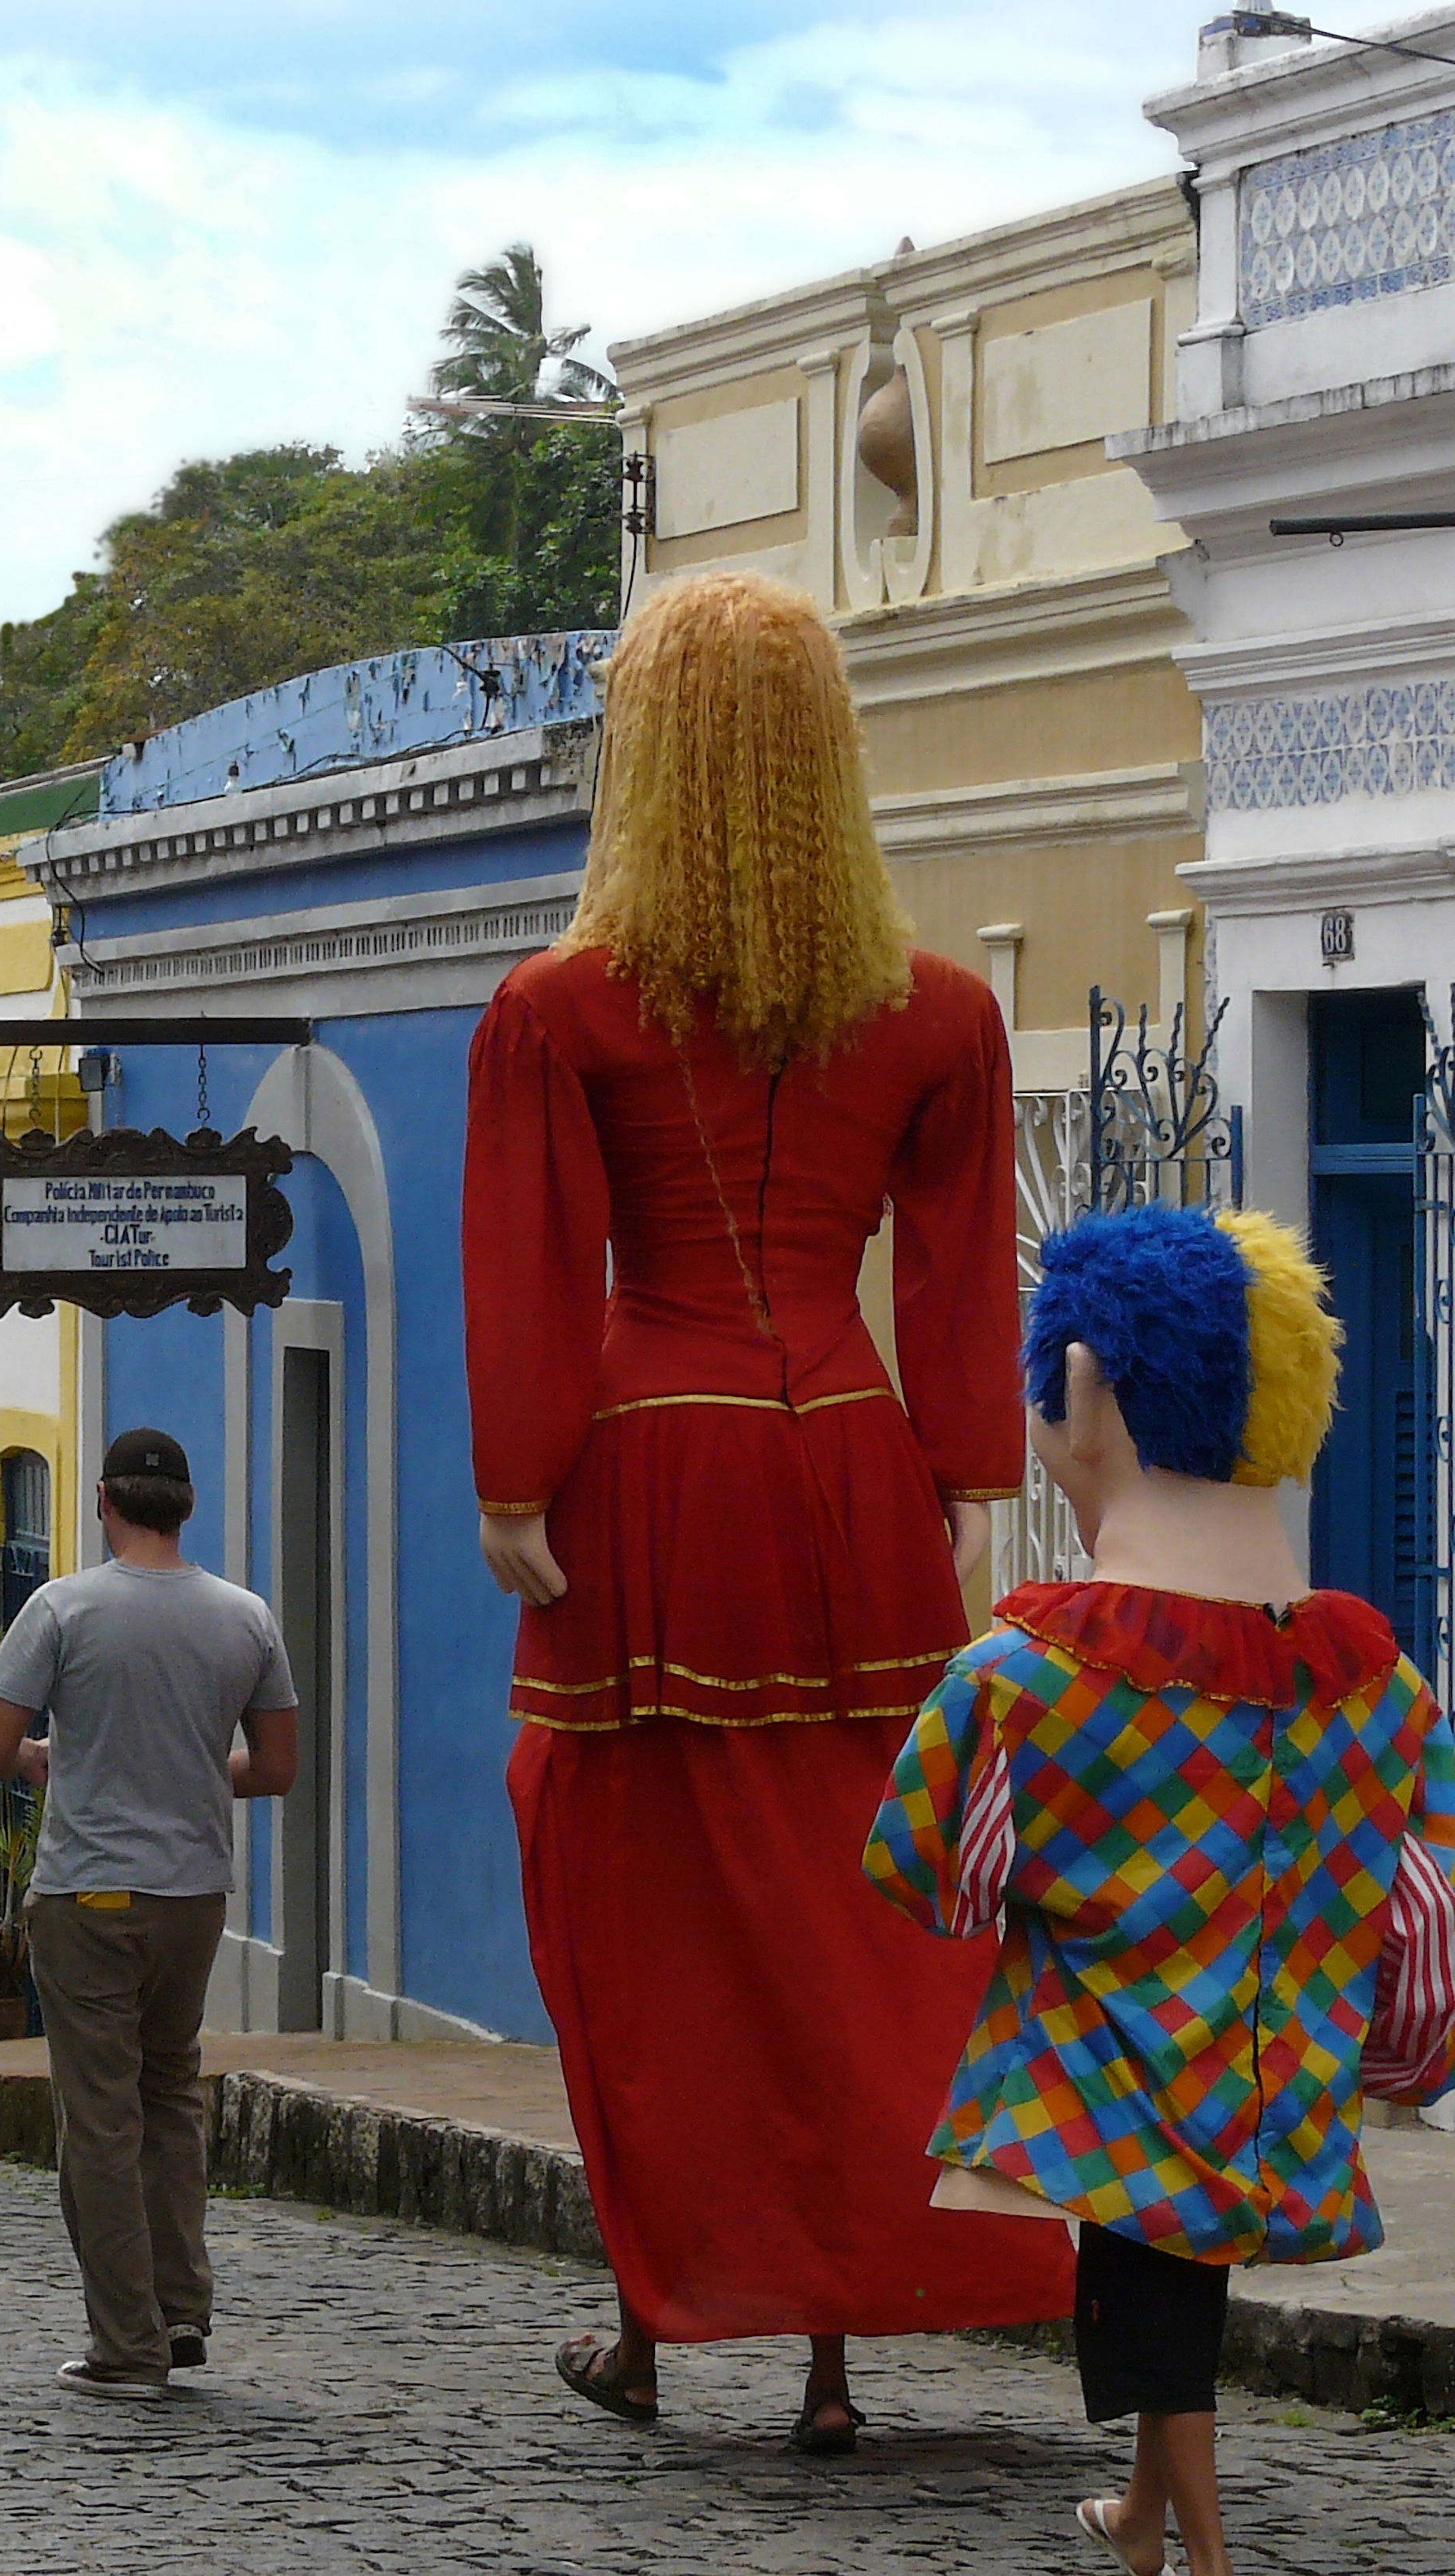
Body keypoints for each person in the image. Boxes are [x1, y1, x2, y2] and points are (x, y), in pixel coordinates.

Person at [462, 567, 1074, 2448]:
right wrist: (971, 1478)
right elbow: (968, 1279)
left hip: (651, 1471)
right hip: (851, 1476)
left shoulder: (563, 1010)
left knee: (630, 1907)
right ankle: (824, 2349)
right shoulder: (939, 1016)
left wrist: (512, 1484)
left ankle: (658, 2315)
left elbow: (531, 1272)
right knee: (857, 1904)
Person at [865, 1204, 1455, 2576]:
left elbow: (923, 1866)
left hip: (1110, 2062)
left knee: (1136, 2253)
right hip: (1268, 2068)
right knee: (1169, 2263)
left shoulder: (1023, 1682)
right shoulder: (1378, 1692)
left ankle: (1195, 2541)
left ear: (1079, 1388)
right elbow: (1418, 1880)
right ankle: (1144, 2505)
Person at [0, 1427, 298, 2403]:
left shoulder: (62, 1608)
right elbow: (275, 1768)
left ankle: (127, 2342)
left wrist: (46, 1759)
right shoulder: (246, 1618)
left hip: (91, 1893)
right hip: (194, 1899)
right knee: (171, 2096)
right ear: (186, 1507)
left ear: (106, 1503)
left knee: (100, 2118)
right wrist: (190, 1773)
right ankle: (182, 2306)